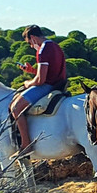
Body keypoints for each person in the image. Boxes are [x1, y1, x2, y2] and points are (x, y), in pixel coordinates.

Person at [12, 25, 67, 153]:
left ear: (33, 38)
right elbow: (49, 71)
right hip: (59, 84)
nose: (31, 46)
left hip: (47, 86)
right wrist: (31, 70)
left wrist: (28, 83)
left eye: (29, 42)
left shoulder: (42, 50)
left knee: (16, 108)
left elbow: (40, 81)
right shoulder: (55, 46)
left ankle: (26, 145)